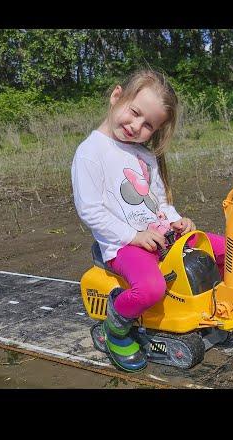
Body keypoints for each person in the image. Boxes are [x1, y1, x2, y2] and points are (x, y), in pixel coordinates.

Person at [71, 69, 220, 372]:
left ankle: (204, 307)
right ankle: (117, 325)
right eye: (135, 112)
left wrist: (178, 221)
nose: (136, 126)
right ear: (116, 97)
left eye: (148, 124)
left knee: (227, 250)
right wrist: (133, 235)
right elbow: (90, 210)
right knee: (151, 288)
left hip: (161, 235)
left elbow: (160, 204)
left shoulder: (144, 156)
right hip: (123, 245)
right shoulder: (91, 152)